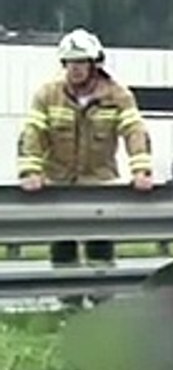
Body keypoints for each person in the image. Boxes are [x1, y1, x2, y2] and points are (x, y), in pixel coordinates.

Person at [17, 27, 153, 268]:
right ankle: (68, 300)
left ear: (94, 64)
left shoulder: (118, 95)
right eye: (70, 62)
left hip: (99, 183)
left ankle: (101, 298)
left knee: (100, 247)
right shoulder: (47, 95)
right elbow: (33, 134)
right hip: (59, 183)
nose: (75, 68)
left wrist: (141, 170)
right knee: (62, 248)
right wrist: (30, 172)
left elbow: (135, 132)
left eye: (81, 62)